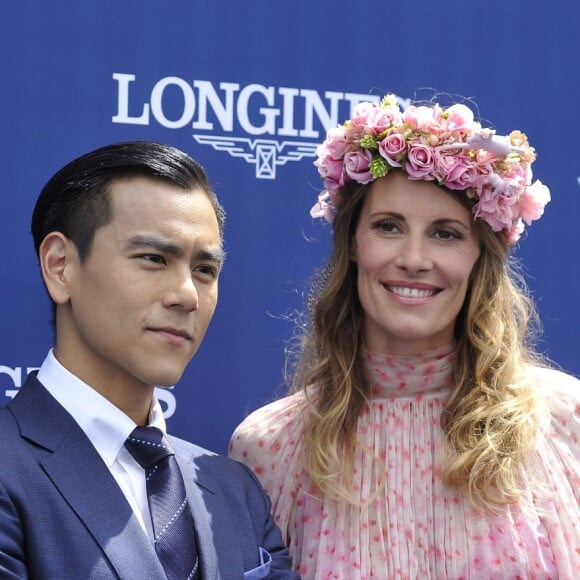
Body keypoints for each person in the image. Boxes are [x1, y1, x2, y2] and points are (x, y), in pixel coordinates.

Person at [229, 96, 580, 578]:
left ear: (480, 255)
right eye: (389, 226)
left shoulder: (566, 420)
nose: (414, 258)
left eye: (446, 233)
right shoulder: (270, 447)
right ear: (353, 243)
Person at [0, 141, 299, 579]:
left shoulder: (234, 490)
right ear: (60, 265)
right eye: (154, 258)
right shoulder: (11, 469)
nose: (186, 295)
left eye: (205, 271)